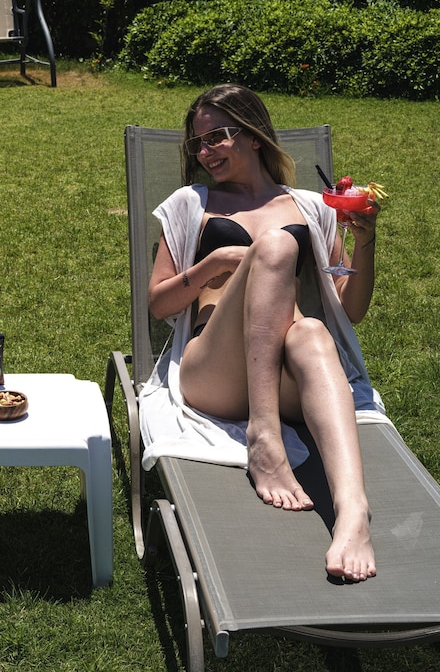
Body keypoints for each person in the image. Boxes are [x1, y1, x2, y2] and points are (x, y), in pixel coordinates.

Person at [144, 84, 382, 582]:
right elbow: (159, 302)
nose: (205, 151)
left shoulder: (312, 206)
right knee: (275, 248)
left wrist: (366, 241)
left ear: (253, 136)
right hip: (216, 372)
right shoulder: (191, 203)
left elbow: (350, 311)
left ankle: (353, 510)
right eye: (198, 142)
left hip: (289, 374)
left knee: (313, 330)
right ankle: (264, 435)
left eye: (217, 137)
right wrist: (214, 262)